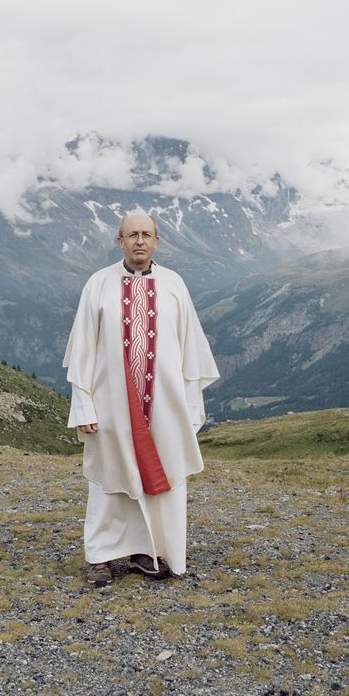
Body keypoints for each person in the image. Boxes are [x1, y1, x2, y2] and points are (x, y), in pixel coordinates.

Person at [63, 211, 220, 586]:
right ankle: (100, 557)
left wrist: (189, 408)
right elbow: (81, 352)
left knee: (159, 477)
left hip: (164, 406)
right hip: (111, 405)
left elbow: (190, 350)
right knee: (108, 482)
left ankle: (146, 552)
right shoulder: (98, 285)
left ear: (156, 241)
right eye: (131, 235)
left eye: (146, 235)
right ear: (119, 241)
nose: (139, 241)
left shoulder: (174, 285)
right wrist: (83, 404)